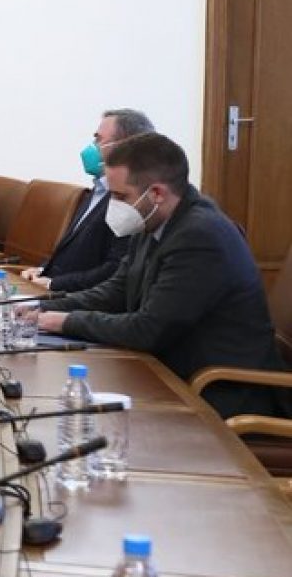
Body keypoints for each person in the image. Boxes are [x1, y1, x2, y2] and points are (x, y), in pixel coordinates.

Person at [37, 133, 287, 419]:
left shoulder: (201, 236)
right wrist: (41, 308)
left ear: (156, 193)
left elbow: (147, 330)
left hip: (219, 393)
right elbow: (116, 290)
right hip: (170, 372)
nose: (112, 205)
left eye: (120, 196)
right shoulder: (153, 220)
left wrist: (65, 321)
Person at [22, 109, 154, 292]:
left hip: (78, 297)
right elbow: (72, 251)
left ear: (124, 147)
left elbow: (113, 270)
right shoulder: (98, 188)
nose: (92, 146)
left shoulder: (131, 201)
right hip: (54, 289)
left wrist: (54, 283)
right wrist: (41, 270)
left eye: (99, 140)